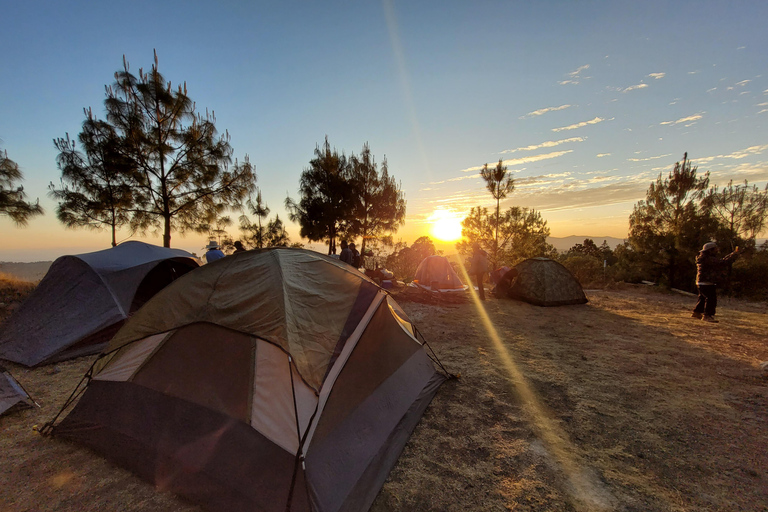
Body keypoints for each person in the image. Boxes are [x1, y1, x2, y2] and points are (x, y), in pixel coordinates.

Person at [692, 241, 741, 323]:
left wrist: (733, 254)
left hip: (701, 281)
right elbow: (723, 263)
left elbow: (721, 261)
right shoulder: (708, 259)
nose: (717, 251)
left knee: (703, 297)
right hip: (707, 282)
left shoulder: (704, 258)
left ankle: (697, 312)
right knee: (711, 299)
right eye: (715, 249)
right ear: (710, 250)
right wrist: (734, 255)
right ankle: (707, 315)